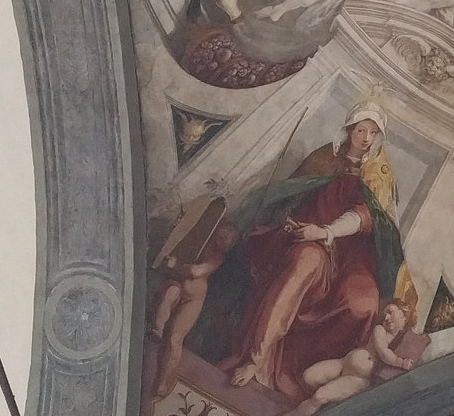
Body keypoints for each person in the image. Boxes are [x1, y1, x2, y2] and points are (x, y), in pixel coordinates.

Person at [224, 89, 415, 396]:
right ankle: (256, 359)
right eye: (361, 130)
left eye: (372, 132)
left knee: (364, 304)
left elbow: (367, 218)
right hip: (309, 242)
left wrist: (326, 232)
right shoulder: (324, 158)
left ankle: (310, 376)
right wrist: (291, 223)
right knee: (305, 263)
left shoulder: (377, 174)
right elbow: (290, 197)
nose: (366, 138)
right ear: (350, 130)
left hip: (349, 257)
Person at [268, 302, 427, 416]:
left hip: (357, 378)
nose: (385, 316)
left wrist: (402, 362)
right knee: (309, 377)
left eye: (391, 312)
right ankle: (316, 409)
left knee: (319, 396)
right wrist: (401, 362)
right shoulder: (379, 330)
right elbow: (383, 352)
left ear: (404, 318)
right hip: (343, 363)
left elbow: (392, 354)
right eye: (385, 312)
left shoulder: (402, 342)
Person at [147, 196, 233, 399]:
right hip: (177, 285)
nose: (223, 240)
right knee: (170, 293)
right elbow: (174, 248)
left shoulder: (216, 257)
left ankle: (162, 382)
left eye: (228, 239)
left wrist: (176, 264)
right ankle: (157, 328)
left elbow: (195, 272)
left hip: (193, 300)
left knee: (174, 339)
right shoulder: (198, 241)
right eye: (223, 235)